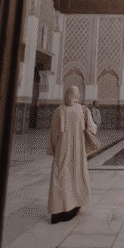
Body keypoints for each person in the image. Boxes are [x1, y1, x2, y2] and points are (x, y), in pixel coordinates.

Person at [46, 85, 97, 224]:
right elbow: (92, 129)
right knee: (76, 176)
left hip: (62, 152)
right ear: (77, 95)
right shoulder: (83, 110)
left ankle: (58, 210)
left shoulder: (59, 111)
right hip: (78, 152)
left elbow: (53, 133)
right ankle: (74, 204)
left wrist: (53, 149)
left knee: (61, 177)